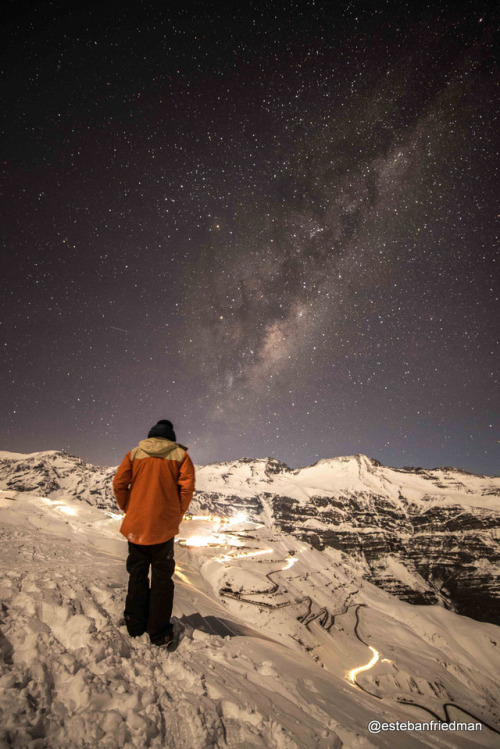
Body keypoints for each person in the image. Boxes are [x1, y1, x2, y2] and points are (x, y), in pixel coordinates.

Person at [113, 419, 195, 647]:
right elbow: (187, 488)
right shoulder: (180, 456)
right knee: (162, 579)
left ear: (151, 436)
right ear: (171, 437)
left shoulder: (134, 454)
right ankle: (158, 631)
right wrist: (176, 513)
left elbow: (119, 484)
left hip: (136, 528)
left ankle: (134, 623)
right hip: (163, 530)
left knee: (137, 573)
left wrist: (129, 508)